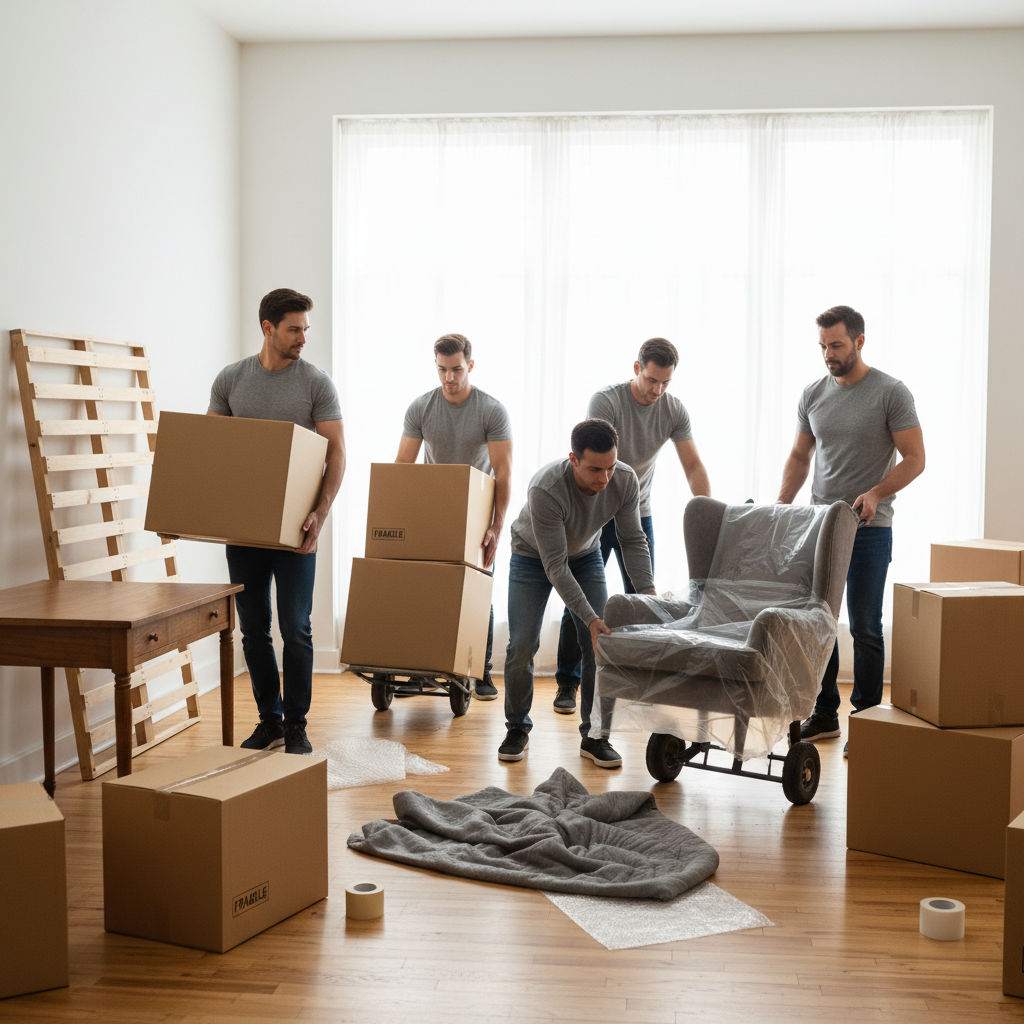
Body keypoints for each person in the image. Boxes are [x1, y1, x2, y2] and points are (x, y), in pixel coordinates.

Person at [777, 305, 924, 756]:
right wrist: (781, 506)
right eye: (822, 346)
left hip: (869, 526)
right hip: (821, 524)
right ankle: (825, 713)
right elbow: (801, 457)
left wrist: (877, 493)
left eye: (836, 345)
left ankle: (866, 718)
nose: (828, 354)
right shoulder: (812, 394)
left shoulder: (890, 393)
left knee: (864, 626)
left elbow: (915, 459)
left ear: (860, 341)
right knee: (819, 622)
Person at [207, 288, 345, 755]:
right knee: (253, 628)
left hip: (296, 530)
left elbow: (337, 453)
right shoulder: (231, 379)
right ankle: (270, 719)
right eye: (294, 329)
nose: (303, 337)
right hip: (244, 529)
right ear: (268, 328)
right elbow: (210, 450)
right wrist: (189, 513)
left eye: (306, 328)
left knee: (296, 628)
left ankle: (298, 723)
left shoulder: (315, 383)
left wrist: (319, 515)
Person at [552, 338, 711, 714]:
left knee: (643, 599)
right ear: (636, 368)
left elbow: (693, 465)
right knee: (583, 597)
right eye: (652, 379)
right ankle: (567, 683)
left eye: (665, 383)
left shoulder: (673, 410)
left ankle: (642, 683)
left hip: (637, 511)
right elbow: (605, 461)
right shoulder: (606, 402)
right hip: (596, 509)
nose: (657, 390)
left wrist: (709, 511)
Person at [500, 418, 656, 767]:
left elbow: (632, 539)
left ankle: (594, 735)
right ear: (573, 460)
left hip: (585, 556)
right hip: (532, 558)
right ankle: (516, 728)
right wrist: (590, 618)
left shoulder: (625, 480)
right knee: (522, 643)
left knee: (597, 645)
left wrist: (647, 591)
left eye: (610, 467)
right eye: (594, 469)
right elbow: (555, 567)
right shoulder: (546, 488)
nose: (604, 478)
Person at [396, 333, 512, 700]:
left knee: (478, 593)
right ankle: (421, 672)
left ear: (470, 366)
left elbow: (503, 473)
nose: (449, 378)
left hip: (476, 513)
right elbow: (402, 466)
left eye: (457, 369)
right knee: (426, 590)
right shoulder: (420, 407)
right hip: (432, 510)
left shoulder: (491, 410)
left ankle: (482, 672)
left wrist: (496, 526)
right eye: (443, 369)